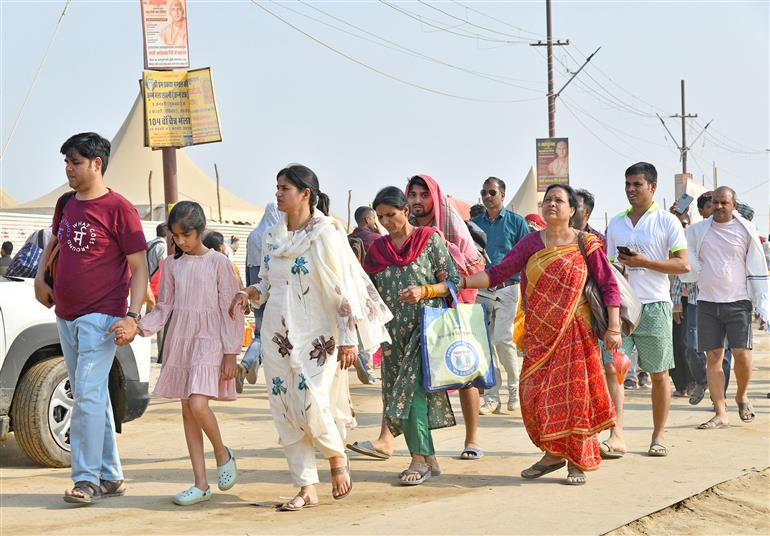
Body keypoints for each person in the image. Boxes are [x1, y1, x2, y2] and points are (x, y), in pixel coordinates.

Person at [229, 164, 391, 511]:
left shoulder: (326, 233)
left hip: (319, 334)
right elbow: (268, 284)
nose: (278, 193)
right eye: (276, 187)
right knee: (284, 406)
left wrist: (349, 339)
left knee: (311, 398)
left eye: (285, 188)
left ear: (306, 193)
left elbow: (342, 289)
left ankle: (336, 459)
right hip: (277, 333)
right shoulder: (272, 235)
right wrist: (249, 294)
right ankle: (305, 487)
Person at [461, 183, 620, 485]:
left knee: (575, 399)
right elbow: (499, 272)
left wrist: (613, 327)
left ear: (572, 210)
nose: (552, 204)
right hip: (538, 335)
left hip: (576, 332)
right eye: (547, 200)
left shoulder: (587, 244)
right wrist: (463, 281)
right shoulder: (531, 243)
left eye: (559, 200)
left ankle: (576, 461)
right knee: (533, 395)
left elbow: (609, 285)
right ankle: (552, 453)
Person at [33, 132, 148, 504]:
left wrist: (132, 316)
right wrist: (39, 277)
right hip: (65, 313)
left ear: (97, 164)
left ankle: (86, 480)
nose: (69, 168)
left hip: (102, 318)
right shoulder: (66, 203)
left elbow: (139, 267)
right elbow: (54, 243)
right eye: (66, 161)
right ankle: (112, 476)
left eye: (76, 162)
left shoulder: (120, 209)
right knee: (90, 396)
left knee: (85, 396)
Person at [120, 202, 242, 505]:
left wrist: (231, 353)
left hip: (212, 339)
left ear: (200, 231)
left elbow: (232, 310)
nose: (180, 241)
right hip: (182, 340)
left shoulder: (219, 263)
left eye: (186, 235)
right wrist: (139, 327)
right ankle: (200, 484)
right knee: (187, 409)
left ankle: (222, 452)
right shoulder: (171, 264)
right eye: (175, 236)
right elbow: (164, 307)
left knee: (199, 404)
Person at [362, 186, 459, 484]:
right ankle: (430, 457)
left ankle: (418, 460)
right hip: (393, 336)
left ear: (406, 210)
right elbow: (366, 289)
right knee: (399, 396)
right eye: (380, 217)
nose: (386, 222)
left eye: (391, 215)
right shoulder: (378, 250)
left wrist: (424, 291)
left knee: (412, 392)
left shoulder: (429, 240)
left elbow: (452, 281)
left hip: (425, 330)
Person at [600, 162, 690, 459]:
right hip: (621, 308)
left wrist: (645, 263)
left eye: (637, 184)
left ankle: (658, 435)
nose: (631, 190)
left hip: (655, 305)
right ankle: (617, 434)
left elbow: (683, 265)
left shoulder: (667, 222)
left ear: (652, 186)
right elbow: (608, 267)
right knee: (613, 369)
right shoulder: (615, 223)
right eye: (627, 184)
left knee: (658, 374)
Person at [680, 187, 768, 428]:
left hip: (739, 301)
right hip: (707, 302)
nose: (718, 207)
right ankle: (720, 412)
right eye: (715, 202)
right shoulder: (698, 231)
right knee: (714, 357)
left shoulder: (745, 230)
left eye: (723, 203)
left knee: (741, 354)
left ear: (733, 205)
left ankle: (741, 396)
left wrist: (760, 299)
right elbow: (687, 256)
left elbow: (754, 264)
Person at [471, 177, 528, 414]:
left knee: (501, 339)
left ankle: (514, 389)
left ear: (503, 195)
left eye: (492, 192)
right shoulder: (472, 225)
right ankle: (492, 396)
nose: (487, 197)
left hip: (508, 288)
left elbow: (527, 256)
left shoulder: (517, 222)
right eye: (484, 192)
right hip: (481, 289)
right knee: (484, 343)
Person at [668, 209, 695, 398]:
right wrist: (676, 302)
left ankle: (694, 381)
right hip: (673, 300)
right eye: (679, 224)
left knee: (689, 344)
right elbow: (674, 275)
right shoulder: (670, 241)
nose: (682, 228)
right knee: (676, 344)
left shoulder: (694, 242)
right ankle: (681, 384)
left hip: (694, 300)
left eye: (685, 224)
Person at [245, 202, 280, 286]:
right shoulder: (278, 233)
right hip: (274, 273)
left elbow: (248, 261)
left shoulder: (253, 234)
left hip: (255, 274)